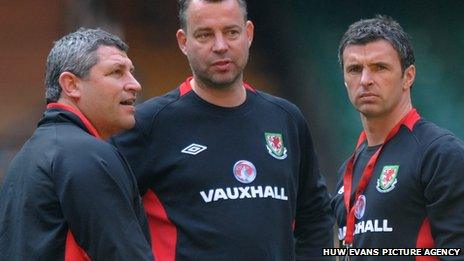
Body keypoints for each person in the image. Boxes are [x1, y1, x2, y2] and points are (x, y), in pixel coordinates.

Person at [111, 0, 333, 260]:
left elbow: (315, 217)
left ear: (248, 34)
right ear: (183, 42)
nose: (220, 46)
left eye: (231, 32)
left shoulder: (286, 119)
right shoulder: (149, 124)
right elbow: (104, 216)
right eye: (205, 35)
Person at [0, 28, 154, 260]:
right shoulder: (88, 155)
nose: (135, 85)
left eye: (131, 72)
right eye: (116, 72)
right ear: (71, 85)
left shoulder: (26, 156)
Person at [331, 15, 464, 259]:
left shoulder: (439, 154)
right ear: (344, 79)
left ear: (408, 76)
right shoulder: (348, 170)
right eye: (354, 69)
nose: (365, 80)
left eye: (380, 67)